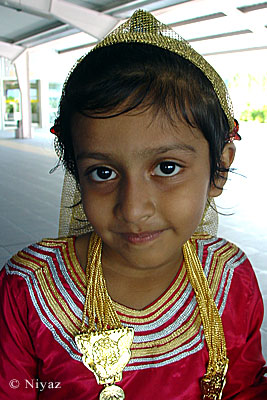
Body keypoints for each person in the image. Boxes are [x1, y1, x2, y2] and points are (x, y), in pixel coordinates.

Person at [0, 9, 266, 400]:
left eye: (167, 167)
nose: (134, 209)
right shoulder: (29, 291)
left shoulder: (231, 278)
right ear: (77, 173)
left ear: (219, 169)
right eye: (103, 173)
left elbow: (243, 387)